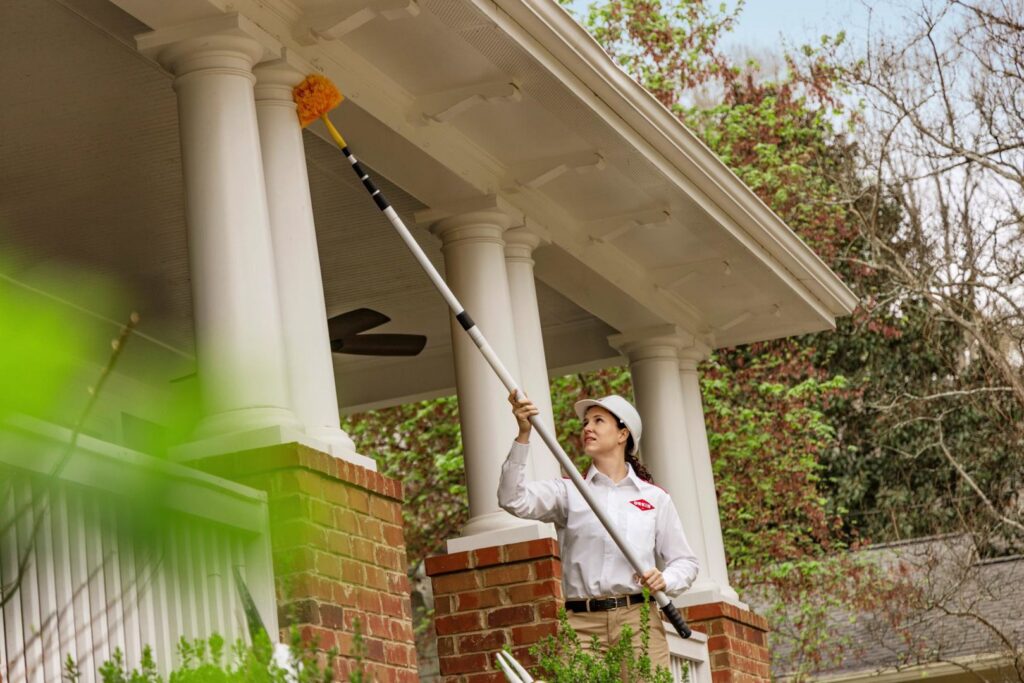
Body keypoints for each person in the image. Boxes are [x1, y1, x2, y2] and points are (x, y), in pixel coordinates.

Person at [498, 391, 699, 669]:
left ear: (622, 434)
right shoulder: (569, 491)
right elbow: (512, 499)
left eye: (598, 421)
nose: (587, 428)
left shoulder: (655, 498)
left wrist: (665, 580)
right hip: (581, 624)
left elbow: (685, 562)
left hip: (638, 620)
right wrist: (523, 434)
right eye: (585, 423)